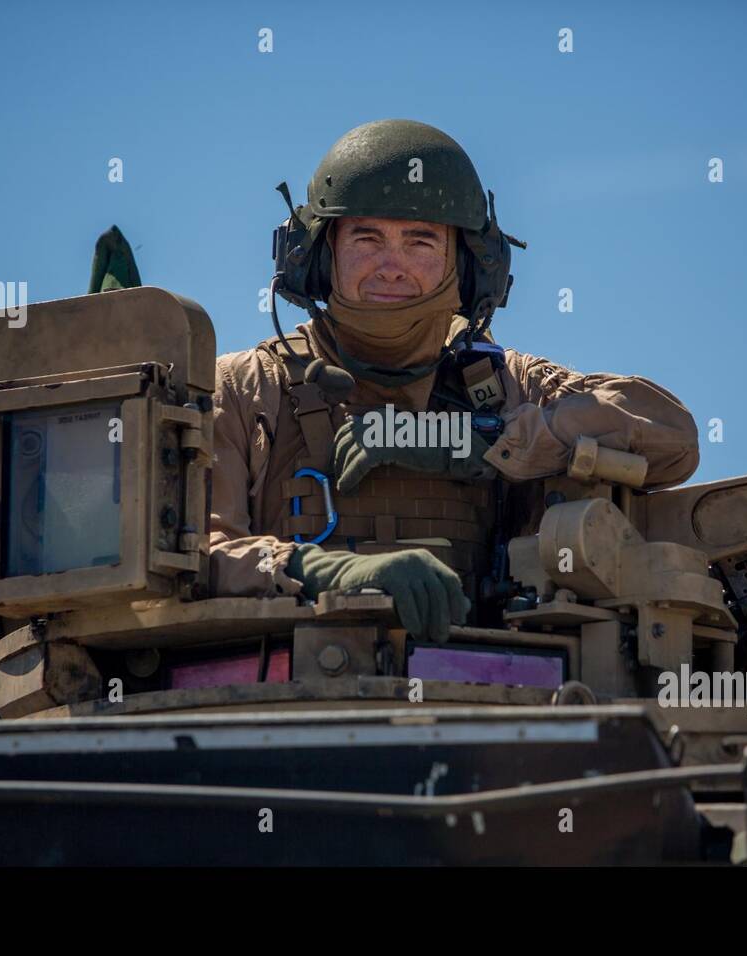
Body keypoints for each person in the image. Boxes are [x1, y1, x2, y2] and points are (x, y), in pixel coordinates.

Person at [209, 119, 699, 643]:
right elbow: (194, 552)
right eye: (366, 237)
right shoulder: (245, 387)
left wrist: (483, 441)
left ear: (463, 267)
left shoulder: (506, 382)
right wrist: (315, 572)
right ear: (318, 255)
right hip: (295, 701)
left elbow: (673, 438)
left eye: (420, 241)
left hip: (486, 691)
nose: (391, 267)